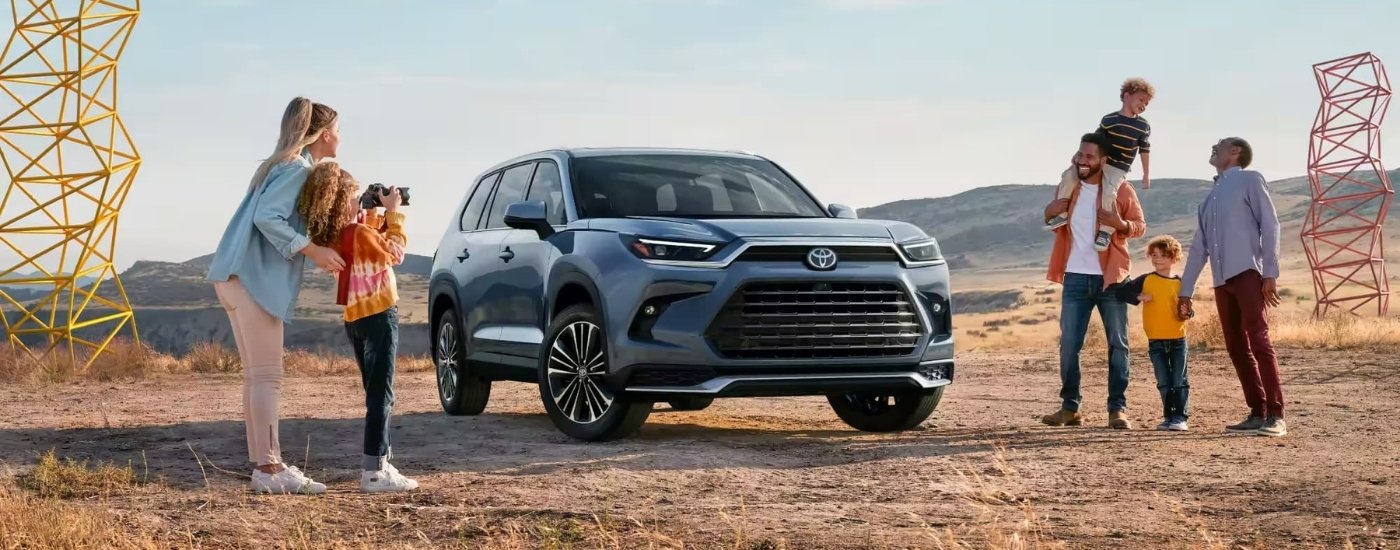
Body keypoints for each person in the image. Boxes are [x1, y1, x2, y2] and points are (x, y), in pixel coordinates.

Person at [206, 97, 346, 494]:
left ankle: (264, 466)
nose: (340, 137)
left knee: (256, 377)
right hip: (253, 280)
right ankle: (270, 469)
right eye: (337, 129)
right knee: (267, 377)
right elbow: (269, 217)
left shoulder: (280, 164)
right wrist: (313, 250)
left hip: (232, 276)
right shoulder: (297, 168)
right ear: (321, 134)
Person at [296, 162, 418, 493]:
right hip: (379, 315)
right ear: (342, 202)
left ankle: (381, 461)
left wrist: (370, 211)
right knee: (382, 395)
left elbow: (364, 237)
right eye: (354, 195)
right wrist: (393, 214)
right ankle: (375, 471)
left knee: (376, 393)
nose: (358, 200)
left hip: (355, 320)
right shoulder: (361, 234)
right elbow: (395, 252)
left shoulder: (338, 236)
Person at [1178, 137, 1286, 437]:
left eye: (1221, 144)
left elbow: (1271, 225)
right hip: (1221, 281)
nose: (1213, 146)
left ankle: (1276, 416)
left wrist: (1269, 273)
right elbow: (1199, 248)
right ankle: (1257, 412)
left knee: (1259, 341)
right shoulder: (1209, 198)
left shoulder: (1250, 179)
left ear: (1236, 152)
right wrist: (1184, 291)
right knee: (1235, 347)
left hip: (1249, 273)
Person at [1041, 132, 1147, 430]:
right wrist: (1049, 211)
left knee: (1118, 344)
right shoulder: (1070, 187)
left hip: (1111, 279)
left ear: (1103, 160)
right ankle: (1070, 408)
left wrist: (1119, 224)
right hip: (1075, 277)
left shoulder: (1121, 190)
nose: (1082, 160)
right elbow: (1051, 218)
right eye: (1080, 154)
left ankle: (1117, 410)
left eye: (1089, 156)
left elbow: (1139, 226)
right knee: (1069, 345)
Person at [1045, 78, 1154, 253]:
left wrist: (1146, 174)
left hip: (1119, 167)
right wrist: (1078, 155)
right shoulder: (1109, 120)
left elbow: (1145, 149)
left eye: (1147, 103)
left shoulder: (1143, 126)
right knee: (1069, 175)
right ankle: (1062, 214)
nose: (1144, 105)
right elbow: (1094, 141)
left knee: (1109, 192)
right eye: (1141, 100)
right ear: (1127, 96)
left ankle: (1105, 232)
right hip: (1101, 161)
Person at [1115, 235, 1191, 431]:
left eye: (1164, 255)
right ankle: (1168, 417)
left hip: (1178, 340)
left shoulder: (1181, 283)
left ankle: (1180, 418)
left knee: (1179, 381)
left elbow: (1188, 310)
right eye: (1154, 255)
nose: (1157, 259)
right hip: (1155, 341)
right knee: (1164, 382)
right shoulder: (1146, 279)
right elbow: (1121, 293)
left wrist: (1186, 312)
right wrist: (1139, 296)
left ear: (1174, 258)